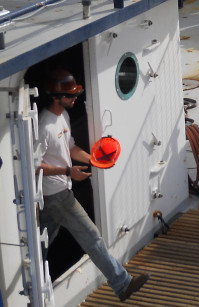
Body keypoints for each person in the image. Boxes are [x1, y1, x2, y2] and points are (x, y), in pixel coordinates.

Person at [38, 69, 149, 302]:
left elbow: (69, 148)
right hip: (57, 194)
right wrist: (68, 171)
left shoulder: (62, 117)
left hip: (53, 196)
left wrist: (94, 159)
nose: (74, 98)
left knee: (40, 245)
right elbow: (36, 166)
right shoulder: (44, 126)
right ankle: (122, 284)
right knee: (92, 236)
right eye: (70, 95)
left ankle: (33, 290)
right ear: (55, 97)